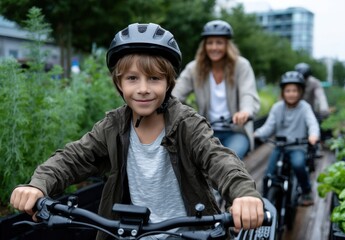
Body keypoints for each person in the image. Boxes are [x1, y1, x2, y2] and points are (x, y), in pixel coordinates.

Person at [10, 23, 264, 240]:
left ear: (169, 83)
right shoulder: (113, 126)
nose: (143, 89)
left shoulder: (186, 124)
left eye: (154, 78)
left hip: (187, 234)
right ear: (119, 83)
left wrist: (243, 194)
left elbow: (219, 160)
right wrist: (38, 185)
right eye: (132, 78)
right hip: (130, 233)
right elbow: (73, 157)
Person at [172, 20, 260, 160]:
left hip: (235, 131)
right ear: (204, 46)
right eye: (210, 43)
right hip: (206, 131)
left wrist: (245, 111)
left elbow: (247, 93)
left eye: (219, 42)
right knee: (195, 163)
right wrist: (187, 114)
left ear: (227, 45)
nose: (214, 47)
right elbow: (175, 94)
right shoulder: (194, 68)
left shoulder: (241, 66)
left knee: (229, 163)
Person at [254, 71, 320, 206]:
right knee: (269, 174)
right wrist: (257, 134)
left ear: (301, 92)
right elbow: (269, 126)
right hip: (280, 146)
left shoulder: (305, 107)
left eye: (295, 90)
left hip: (297, 146)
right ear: (283, 92)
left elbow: (312, 123)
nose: (291, 94)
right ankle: (265, 202)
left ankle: (306, 190)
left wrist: (313, 135)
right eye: (288, 90)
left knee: (298, 164)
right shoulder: (277, 108)